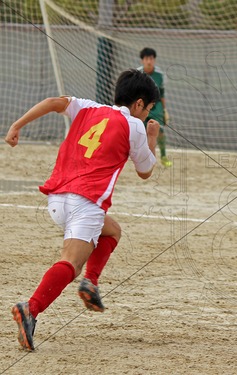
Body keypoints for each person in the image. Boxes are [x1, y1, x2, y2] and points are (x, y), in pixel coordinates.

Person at [5, 69, 161, 351]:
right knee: (71, 263)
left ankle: (91, 283)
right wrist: (151, 138)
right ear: (139, 104)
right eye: (148, 108)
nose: (146, 113)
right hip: (85, 203)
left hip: (57, 197)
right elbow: (145, 171)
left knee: (112, 230)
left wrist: (17, 125)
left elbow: (54, 101)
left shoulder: (89, 106)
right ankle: (31, 308)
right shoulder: (135, 126)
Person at [138, 47, 172, 167]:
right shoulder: (137, 74)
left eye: (151, 58)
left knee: (160, 131)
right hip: (141, 106)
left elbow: (162, 94)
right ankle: (140, 156)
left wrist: (164, 110)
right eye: (146, 58)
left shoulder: (160, 75)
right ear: (142, 60)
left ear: (154, 60)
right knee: (139, 131)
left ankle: (163, 156)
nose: (149, 61)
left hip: (156, 106)